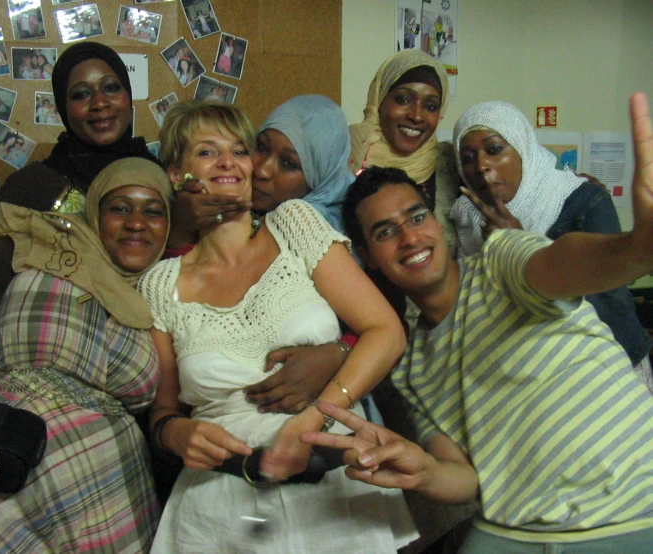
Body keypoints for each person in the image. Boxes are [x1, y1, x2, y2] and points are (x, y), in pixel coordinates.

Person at [307, 92, 653, 553]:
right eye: (386, 232)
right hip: (520, 531)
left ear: (436, 221)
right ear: (368, 258)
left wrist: (634, 250)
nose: (410, 237)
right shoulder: (411, 369)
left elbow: (562, 263)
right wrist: (425, 471)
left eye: (416, 217)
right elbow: (464, 478)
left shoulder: (499, 259)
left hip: (632, 507)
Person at [138, 101, 416, 552]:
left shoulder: (294, 224)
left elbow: (386, 331)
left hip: (330, 484)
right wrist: (176, 433)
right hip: (219, 507)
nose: (229, 162)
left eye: (239, 150)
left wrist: (315, 414)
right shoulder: (159, 286)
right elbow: (163, 411)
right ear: (176, 173)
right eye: (208, 152)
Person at [0, 157, 173, 552]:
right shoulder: (34, 249)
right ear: (95, 212)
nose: (136, 222)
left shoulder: (166, 292)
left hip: (106, 494)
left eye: (153, 211)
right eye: (119, 207)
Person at [169, 95, 361, 418]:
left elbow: (383, 327)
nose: (262, 170)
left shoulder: (316, 228)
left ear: (318, 178)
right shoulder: (212, 227)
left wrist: (340, 352)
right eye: (259, 148)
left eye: (288, 164)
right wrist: (181, 229)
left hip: (333, 412)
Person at [450, 100, 653, 371]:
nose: (482, 165)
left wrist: (520, 246)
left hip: (606, 369)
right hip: (529, 374)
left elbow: (611, 310)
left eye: (495, 149)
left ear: (524, 149)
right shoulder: (465, 217)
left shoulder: (583, 201)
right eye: (468, 158)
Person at [0, 41, 159, 245]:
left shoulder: (158, 177)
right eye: (81, 94)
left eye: (111, 87)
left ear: (128, 95)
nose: (100, 103)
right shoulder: (28, 188)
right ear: (62, 108)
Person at [349, 49, 460, 258]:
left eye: (430, 106)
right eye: (403, 100)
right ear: (380, 100)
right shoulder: (346, 152)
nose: (417, 116)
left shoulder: (451, 163)